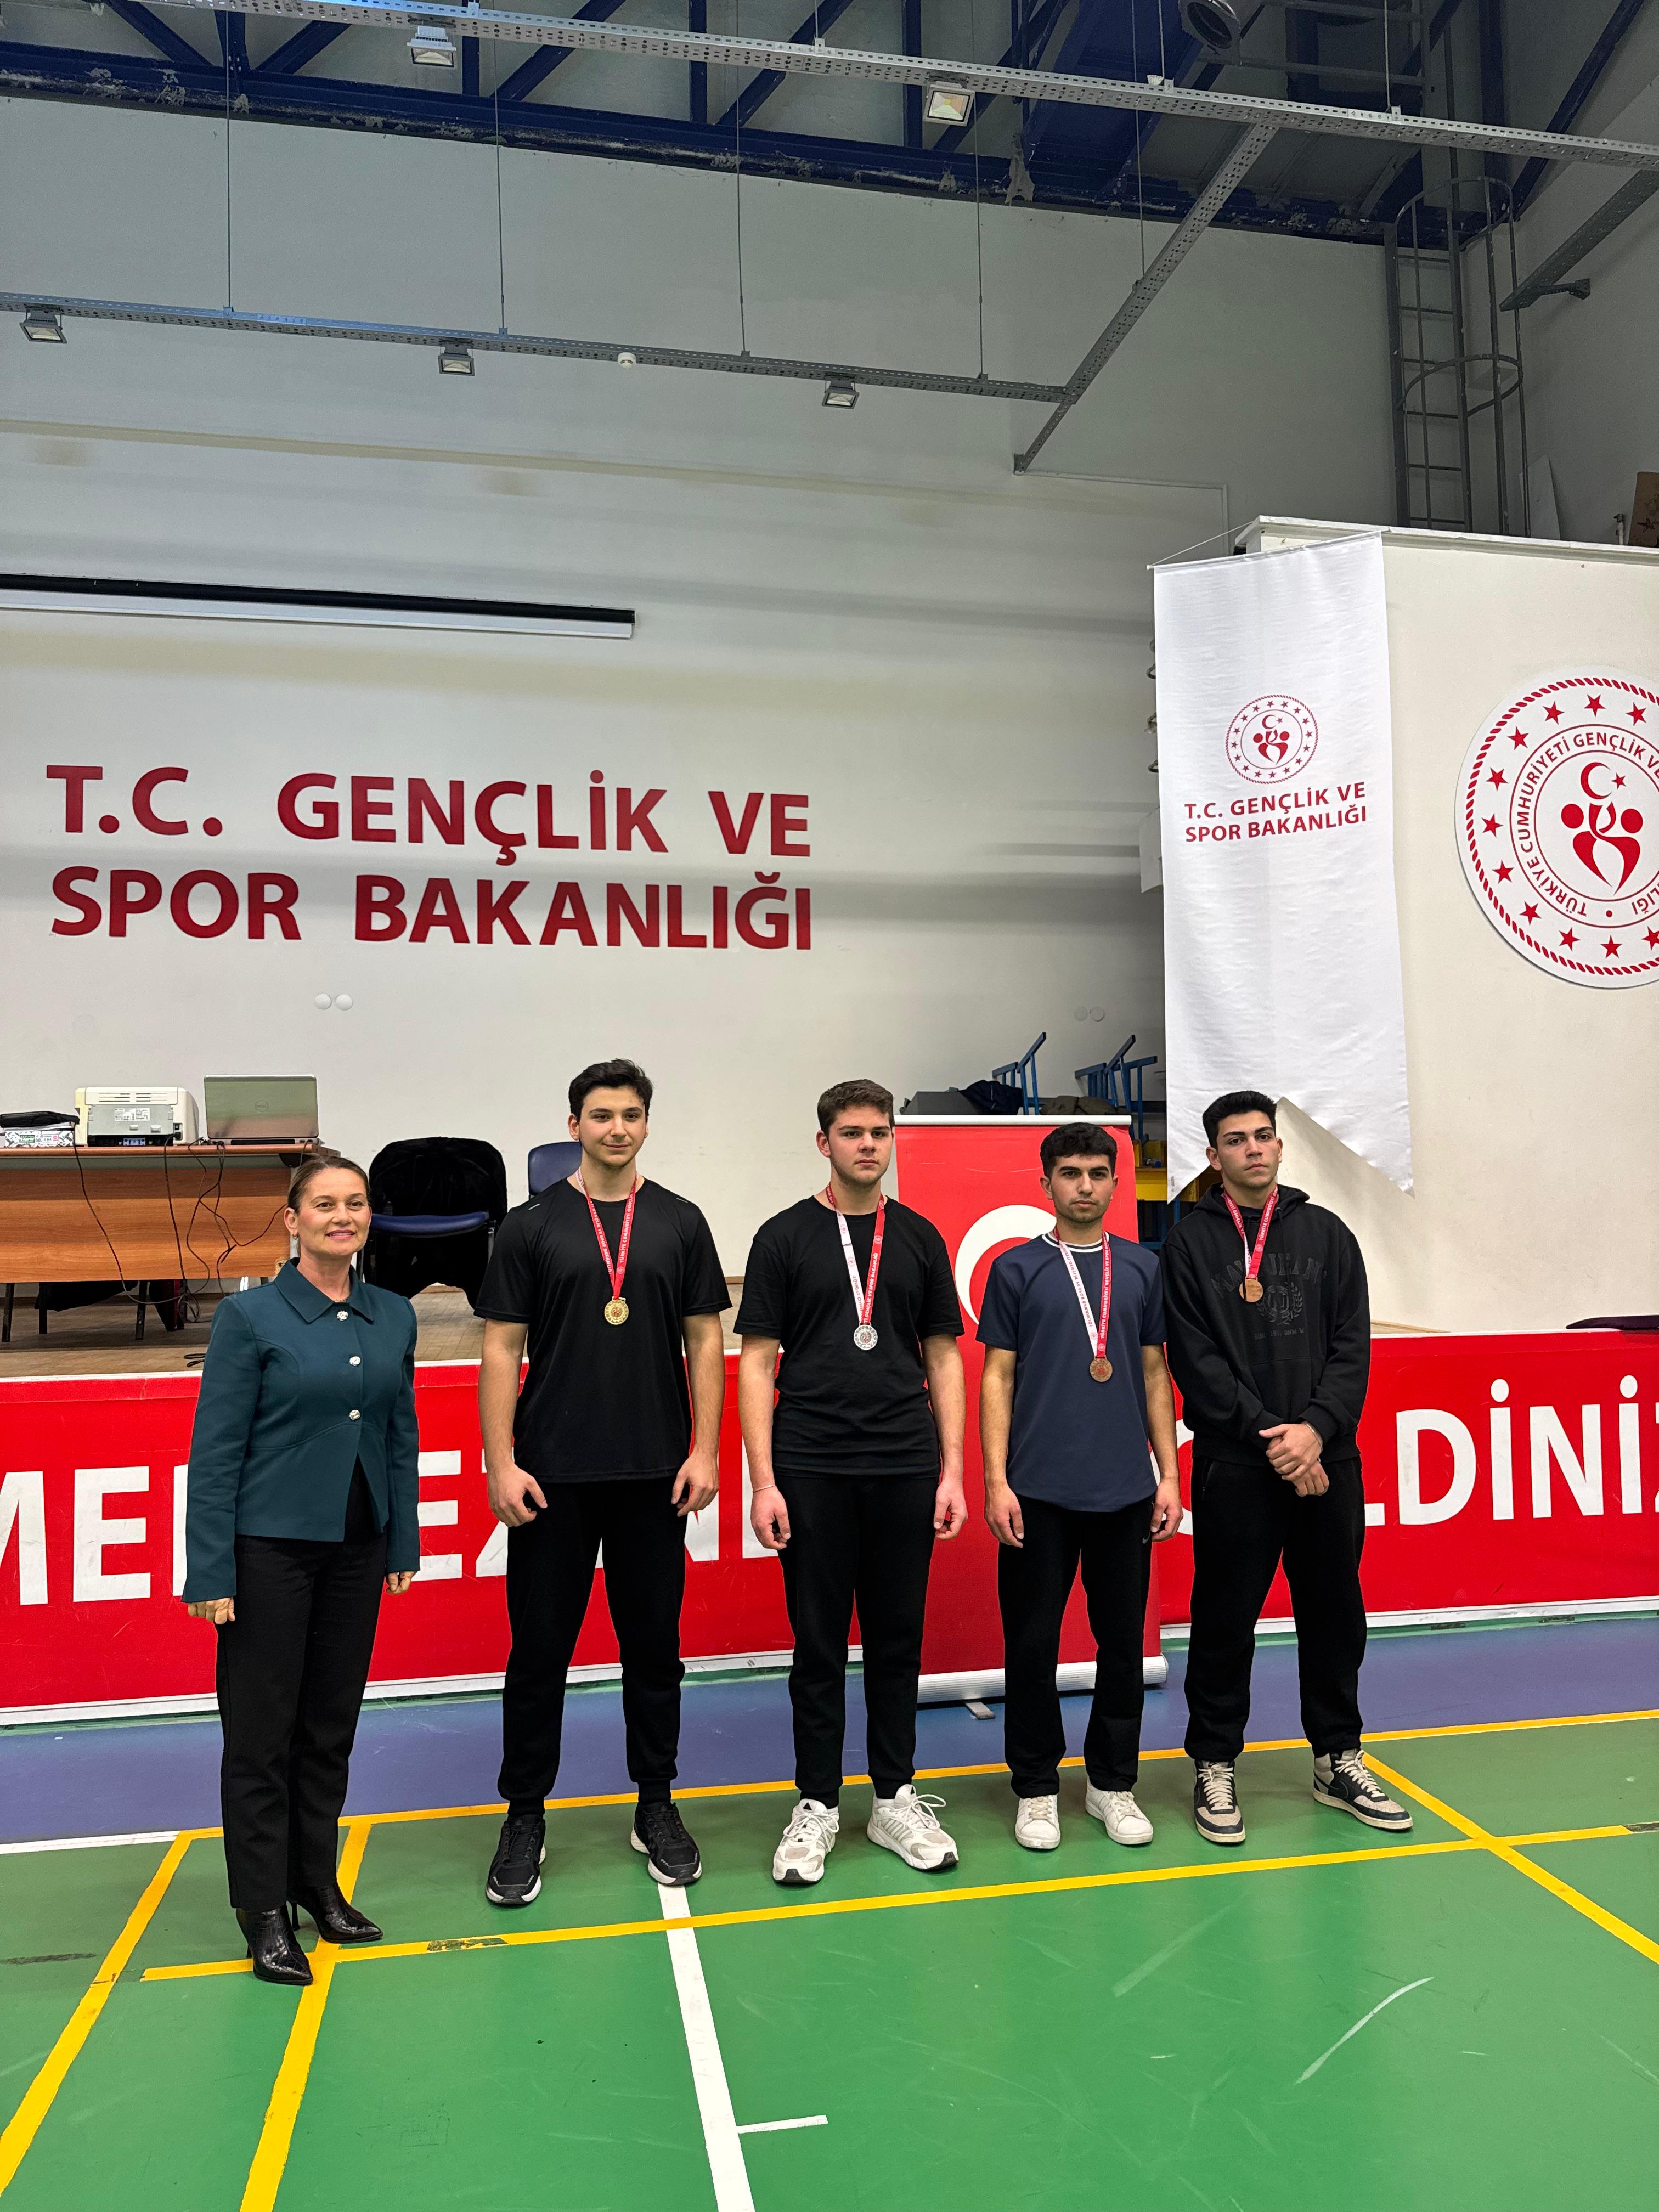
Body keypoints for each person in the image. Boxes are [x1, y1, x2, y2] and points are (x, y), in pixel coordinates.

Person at [477, 1058, 728, 1901]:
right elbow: (500, 1349)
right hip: (552, 1476)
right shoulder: (530, 1226)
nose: (616, 1128)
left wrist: (705, 1450)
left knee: (654, 1652)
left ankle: (655, 1803)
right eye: (600, 1115)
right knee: (538, 1656)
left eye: (630, 1115)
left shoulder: (681, 1222)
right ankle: (525, 1815)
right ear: (573, 1125)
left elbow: (705, 1340)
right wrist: (501, 1461)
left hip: (656, 1474)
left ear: (647, 1123)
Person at [183, 1153, 419, 1987]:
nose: (341, 1216)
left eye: (355, 1203)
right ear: (293, 1220)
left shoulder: (394, 1315)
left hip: (358, 1548)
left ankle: (315, 1882)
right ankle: (263, 1911)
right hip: (267, 1553)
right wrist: (211, 1570)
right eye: (324, 1204)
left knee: (329, 1727)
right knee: (260, 1737)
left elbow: (399, 1435)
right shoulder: (249, 1318)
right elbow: (216, 1453)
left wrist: (401, 1541)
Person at [1159, 1090, 1412, 1846]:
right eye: (1236, 1140)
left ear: (1278, 1145)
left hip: (1327, 1460)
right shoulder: (1188, 1244)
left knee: (1334, 1613)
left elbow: (1352, 1347)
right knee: (1224, 1618)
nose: (1254, 1149)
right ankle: (1214, 1762)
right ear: (1214, 1157)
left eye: (1264, 1136)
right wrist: (1274, 1437)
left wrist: (1316, 1431)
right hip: (1237, 1463)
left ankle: (1338, 1758)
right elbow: (1194, 1360)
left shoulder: (1328, 1234)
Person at [738, 1079, 968, 1887]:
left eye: (880, 1132)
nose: (868, 1145)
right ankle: (817, 1804)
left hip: (905, 1463)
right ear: (824, 1143)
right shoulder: (783, 1237)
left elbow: (943, 1355)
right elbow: (757, 1361)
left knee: (899, 1640)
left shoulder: (920, 1237)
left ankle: (895, 1797)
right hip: (811, 1466)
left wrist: (953, 1471)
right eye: (852, 1132)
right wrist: (763, 1482)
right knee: (818, 1646)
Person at [978, 1123, 1184, 1852]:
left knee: (1121, 1645)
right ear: (1047, 1185)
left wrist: (1169, 1473)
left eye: (1098, 1173)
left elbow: (1155, 1372)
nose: (1086, 1186)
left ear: (1116, 1183)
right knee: (1032, 1645)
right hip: (1036, 1491)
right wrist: (996, 1480)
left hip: (1125, 1491)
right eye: (1070, 1174)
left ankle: (1111, 1784)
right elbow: (997, 1376)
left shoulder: (1143, 1268)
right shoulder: (1015, 1269)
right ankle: (1037, 1788)